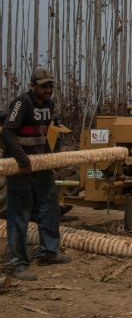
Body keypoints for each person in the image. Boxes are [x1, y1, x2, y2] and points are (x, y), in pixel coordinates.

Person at [1, 68, 71, 281]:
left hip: (40, 167)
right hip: (21, 168)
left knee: (50, 210)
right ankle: (16, 263)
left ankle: (48, 252)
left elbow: (43, 135)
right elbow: (8, 133)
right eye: (44, 86)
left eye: (50, 86)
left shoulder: (49, 105)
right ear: (33, 86)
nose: (48, 89)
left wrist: (49, 160)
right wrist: (23, 160)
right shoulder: (22, 103)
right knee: (19, 215)